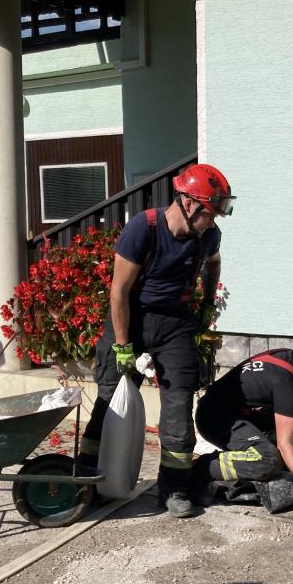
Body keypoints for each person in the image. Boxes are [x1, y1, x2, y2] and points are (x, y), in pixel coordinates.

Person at [78, 163, 234, 519]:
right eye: (210, 213)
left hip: (175, 325)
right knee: (110, 402)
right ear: (189, 204)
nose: (213, 221)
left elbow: (213, 264)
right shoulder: (144, 228)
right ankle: (88, 479)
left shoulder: (208, 236)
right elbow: (119, 292)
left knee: (179, 405)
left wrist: (207, 303)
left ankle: (174, 488)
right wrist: (122, 345)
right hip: (131, 319)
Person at [192, 319, 293, 503]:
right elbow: (285, 444)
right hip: (214, 418)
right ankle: (202, 468)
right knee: (268, 461)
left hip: (228, 410)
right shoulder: (284, 381)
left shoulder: (285, 357)